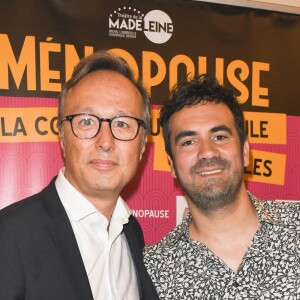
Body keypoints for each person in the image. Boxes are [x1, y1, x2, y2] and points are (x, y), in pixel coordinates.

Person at [0, 50, 159, 300]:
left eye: (122, 123)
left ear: (142, 146)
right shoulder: (9, 235)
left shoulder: (131, 232)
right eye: (86, 121)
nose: (105, 141)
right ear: (62, 137)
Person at [144, 74, 300, 299]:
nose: (207, 152)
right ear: (171, 165)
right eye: (188, 142)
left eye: (219, 136)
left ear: (245, 152)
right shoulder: (152, 272)